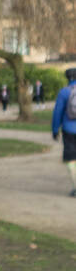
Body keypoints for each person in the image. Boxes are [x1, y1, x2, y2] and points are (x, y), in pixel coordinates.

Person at [52, 68, 76, 196]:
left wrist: (55, 130)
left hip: (69, 129)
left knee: (71, 158)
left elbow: (57, 113)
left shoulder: (64, 92)